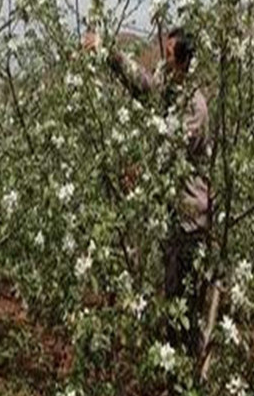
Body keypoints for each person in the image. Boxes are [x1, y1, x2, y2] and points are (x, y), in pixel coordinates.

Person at [83, 27, 211, 354]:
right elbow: (140, 82)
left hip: (191, 222)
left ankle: (192, 375)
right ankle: (176, 372)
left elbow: (170, 147)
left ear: (183, 62)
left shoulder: (195, 106)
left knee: (187, 306)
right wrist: (105, 52)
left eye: (168, 57)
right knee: (171, 299)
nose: (163, 63)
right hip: (172, 219)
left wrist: (138, 170)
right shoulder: (169, 93)